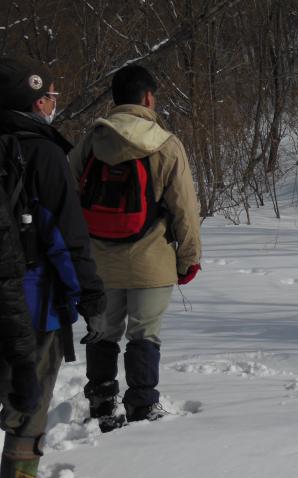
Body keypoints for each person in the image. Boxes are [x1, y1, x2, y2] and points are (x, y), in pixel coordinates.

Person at [68, 64, 201, 429]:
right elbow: (185, 209)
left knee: (103, 331)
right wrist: (188, 259)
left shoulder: (92, 140)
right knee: (144, 334)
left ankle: (101, 401)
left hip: (98, 263)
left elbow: (66, 197)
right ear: (147, 98)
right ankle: (142, 406)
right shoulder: (166, 144)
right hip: (151, 260)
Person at [0, 57, 106, 478]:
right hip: (31, 304)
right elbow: (65, 237)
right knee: (27, 408)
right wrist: (91, 296)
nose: (52, 105)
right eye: (48, 97)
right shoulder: (42, 152)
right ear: (33, 101)